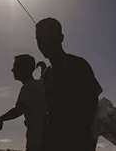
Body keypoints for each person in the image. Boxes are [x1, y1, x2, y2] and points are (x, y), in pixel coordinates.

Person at [35, 17, 102, 151]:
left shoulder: (78, 65)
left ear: (61, 38)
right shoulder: (47, 74)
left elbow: (93, 108)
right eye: (39, 39)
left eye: (48, 37)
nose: (43, 43)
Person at [0, 54, 46, 151]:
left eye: (15, 66)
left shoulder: (28, 88)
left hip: (36, 143)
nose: (12, 70)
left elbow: (18, 110)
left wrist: (1, 119)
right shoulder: (40, 84)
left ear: (23, 69)